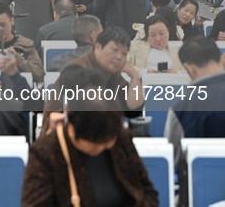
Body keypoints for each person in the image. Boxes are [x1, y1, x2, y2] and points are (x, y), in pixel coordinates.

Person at [23, 74, 159, 206]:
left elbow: (147, 191)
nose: (101, 148)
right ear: (72, 128)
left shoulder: (120, 137)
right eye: (95, 143)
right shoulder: (46, 152)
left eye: (107, 142)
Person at [42, 27, 144, 135]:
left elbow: (133, 112)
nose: (119, 57)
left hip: (99, 134)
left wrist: (134, 77)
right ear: (98, 46)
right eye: (114, 50)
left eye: (124, 53)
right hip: (67, 136)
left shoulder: (112, 74)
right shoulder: (77, 70)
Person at [165, 37, 225, 164]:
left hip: (201, 181)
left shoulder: (180, 109)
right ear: (223, 58)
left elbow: (171, 160)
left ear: (189, 68)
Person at [0, 2, 45, 83]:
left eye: (3, 25)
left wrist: (18, 59)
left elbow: (39, 74)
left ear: (12, 21)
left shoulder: (25, 45)